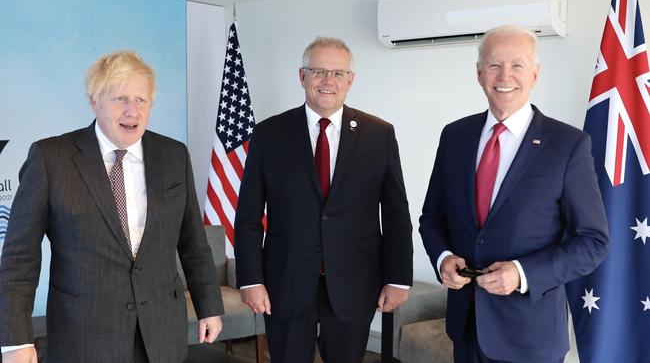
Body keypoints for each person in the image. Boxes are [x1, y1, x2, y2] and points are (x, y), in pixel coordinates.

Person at [0, 51, 224, 363]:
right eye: (121, 98)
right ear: (95, 101)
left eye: (141, 100)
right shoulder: (50, 159)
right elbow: (19, 258)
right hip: (84, 336)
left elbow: (193, 242)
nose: (132, 111)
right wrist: (14, 340)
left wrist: (209, 306)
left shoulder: (173, 155)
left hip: (160, 335)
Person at [419, 25, 609, 363]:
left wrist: (522, 273)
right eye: (494, 65)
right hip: (466, 328)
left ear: (535, 73)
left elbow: (593, 242)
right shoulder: (455, 136)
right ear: (479, 74)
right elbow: (432, 217)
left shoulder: (568, 145)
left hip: (530, 337)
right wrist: (443, 258)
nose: (504, 75)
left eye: (517, 65)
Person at [234, 37, 413, 363]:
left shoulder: (379, 134)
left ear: (350, 80)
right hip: (284, 283)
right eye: (318, 71)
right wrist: (250, 279)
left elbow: (397, 213)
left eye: (337, 73)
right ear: (302, 77)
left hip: (354, 282)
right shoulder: (269, 134)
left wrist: (398, 278)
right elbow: (247, 215)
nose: (328, 81)